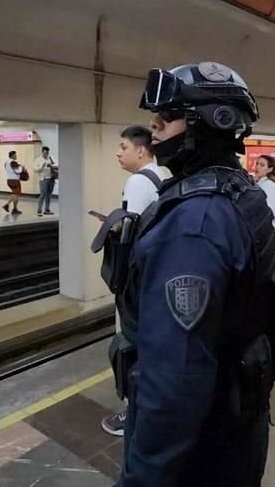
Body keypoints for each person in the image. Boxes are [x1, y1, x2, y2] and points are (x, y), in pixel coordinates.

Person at [114, 62, 275, 486]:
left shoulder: (195, 224)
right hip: (233, 421)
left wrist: (143, 477)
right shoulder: (239, 192)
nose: (154, 128)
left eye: (167, 118)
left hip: (198, 444)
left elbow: (177, 376)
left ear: (210, 123)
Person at [101, 125, 164, 438]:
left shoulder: (138, 181)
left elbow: (132, 237)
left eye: (123, 147)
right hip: (156, 278)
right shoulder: (162, 176)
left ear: (141, 150)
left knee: (128, 343)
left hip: (136, 282)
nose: (118, 152)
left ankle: (133, 410)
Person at [254, 154, 275, 246]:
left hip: (269, 233)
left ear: (270, 169)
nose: (257, 167)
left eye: (262, 165)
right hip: (269, 232)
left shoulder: (267, 185)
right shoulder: (262, 183)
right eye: (257, 164)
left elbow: (269, 211)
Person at [34, 146, 57, 217]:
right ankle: (39, 209)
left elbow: (56, 165)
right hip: (43, 179)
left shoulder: (50, 158)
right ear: (42, 152)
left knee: (49, 195)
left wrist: (52, 166)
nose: (46, 154)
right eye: (44, 153)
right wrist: (42, 166)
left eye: (47, 153)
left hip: (51, 178)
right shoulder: (38, 160)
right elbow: (35, 170)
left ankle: (47, 209)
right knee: (43, 194)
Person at [3, 150, 24, 215]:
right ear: (12, 156)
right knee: (16, 194)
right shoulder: (13, 162)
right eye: (15, 155)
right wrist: (22, 168)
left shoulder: (6, 162)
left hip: (9, 179)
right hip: (15, 180)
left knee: (16, 194)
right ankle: (7, 205)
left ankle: (14, 209)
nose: (16, 156)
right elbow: (18, 171)